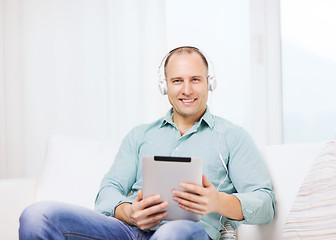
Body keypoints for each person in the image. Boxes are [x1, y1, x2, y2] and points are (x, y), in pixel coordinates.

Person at [19, 46, 275, 240]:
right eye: (177, 81)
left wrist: (217, 201)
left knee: (170, 234)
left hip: (188, 232)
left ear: (210, 82)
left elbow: (265, 203)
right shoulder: (140, 135)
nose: (186, 90)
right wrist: (129, 212)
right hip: (129, 231)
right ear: (165, 86)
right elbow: (108, 191)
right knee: (37, 215)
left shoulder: (233, 136)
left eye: (195, 79)